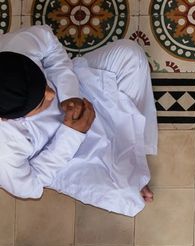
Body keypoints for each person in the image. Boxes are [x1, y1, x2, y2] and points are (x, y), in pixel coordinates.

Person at [0, 26, 157, 216]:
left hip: (82, 88)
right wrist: (71, 135)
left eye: (43, 84)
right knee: (128, 196)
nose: (51, 94)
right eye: (41, 102)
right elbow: (29, 187)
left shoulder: (14, 46)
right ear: (6, 118)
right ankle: (132, 165)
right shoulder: (4, 151)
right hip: (64, 155)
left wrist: (69, 92)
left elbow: (50, 44)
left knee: (130, 55)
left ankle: (138, 149)